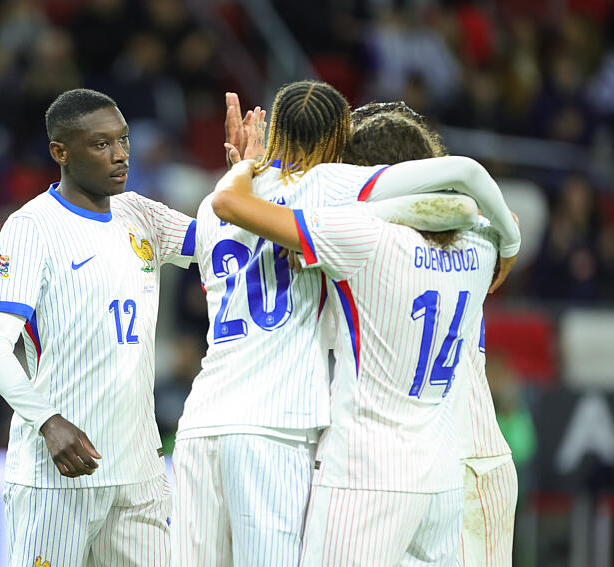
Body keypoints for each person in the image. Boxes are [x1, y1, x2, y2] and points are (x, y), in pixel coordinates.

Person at [170, 82, 518, 566]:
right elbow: (467, 189)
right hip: (452, 458)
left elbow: (241, 213)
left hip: (230, 425)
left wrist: (247, 170)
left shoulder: (337, 232)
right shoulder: (480, 242)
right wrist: (512, 241)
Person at [0, 88, 197, 567]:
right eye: (101, 144)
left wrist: (250, 174)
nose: (120, 155)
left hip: (138, 472)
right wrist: (48, 422)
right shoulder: (32, 227)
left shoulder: (142, 214)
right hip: (58, 473)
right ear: (61, 152)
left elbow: (225, 243)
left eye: (124, 140)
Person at [346, 101, 519, 566]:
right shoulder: (477, 240)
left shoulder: (374, 248)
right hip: (440, 462)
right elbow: (511, 231)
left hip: (462, 458)